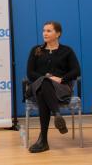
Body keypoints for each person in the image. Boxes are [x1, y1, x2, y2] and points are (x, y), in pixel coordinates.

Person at [26, 21, 80, 153]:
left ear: (58, 34)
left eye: (49, 31)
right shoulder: (36, 50)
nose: (45, 33)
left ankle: (43, 140)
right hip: (39, 85)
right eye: (44, 30)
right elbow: (30, 73)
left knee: (43, 90)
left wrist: (61, 79)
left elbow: (76, 71)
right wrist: (46, 78)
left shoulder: (67, 51)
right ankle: (57, 114)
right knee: (44, 83)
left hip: (60, 88)